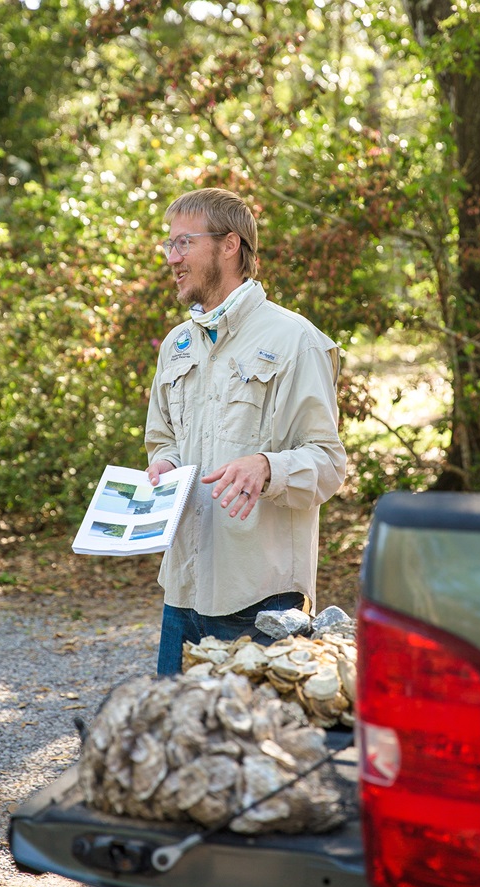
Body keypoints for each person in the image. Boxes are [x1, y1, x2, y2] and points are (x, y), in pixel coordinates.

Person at [145, 188, 346, 675]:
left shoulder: (295, 340)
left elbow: (328, 463)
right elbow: (163, 436)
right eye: (169, 245)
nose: (172, 258)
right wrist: (165, 463)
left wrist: (267, 467)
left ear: (230, 244)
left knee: (251, 749)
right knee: (176, 743)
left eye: (183, 243)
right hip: (184, 588)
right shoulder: (176, 345)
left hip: (261, 599)